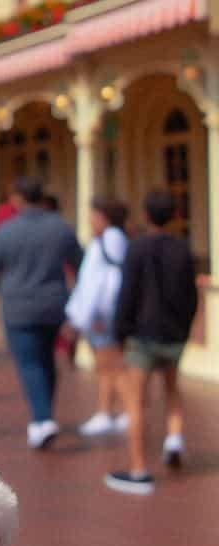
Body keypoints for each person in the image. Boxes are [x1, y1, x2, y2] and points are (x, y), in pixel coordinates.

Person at [0, 177, 83, 449]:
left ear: (17, 199)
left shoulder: (5, 231)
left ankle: (42, 418)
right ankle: (44, 414)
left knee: (30, 364)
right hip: (55, 304)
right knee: (46, 360)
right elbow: (81, 264)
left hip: (19, 307)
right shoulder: (60, 227)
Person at [105, 189, 198, 495]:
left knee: (137, 402)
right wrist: (184, 329)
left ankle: (139, 468)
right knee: (172, 389)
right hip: (173, 333)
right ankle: (174, 438)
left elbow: (127, 294)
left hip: (143, 334)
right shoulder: (183, 249)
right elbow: (191, 295)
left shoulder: (137, 248)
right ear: (174, 215)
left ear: (145, 215)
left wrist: (120, 332)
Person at [65, 198, 129, 437]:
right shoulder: (109, 241)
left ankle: (119, 410)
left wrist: (93, 313)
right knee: (106, 365)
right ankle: (113, 410)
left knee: (109, 365)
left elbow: (102, 282)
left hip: (102, 314)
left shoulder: (109, 241)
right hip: (99, 313)